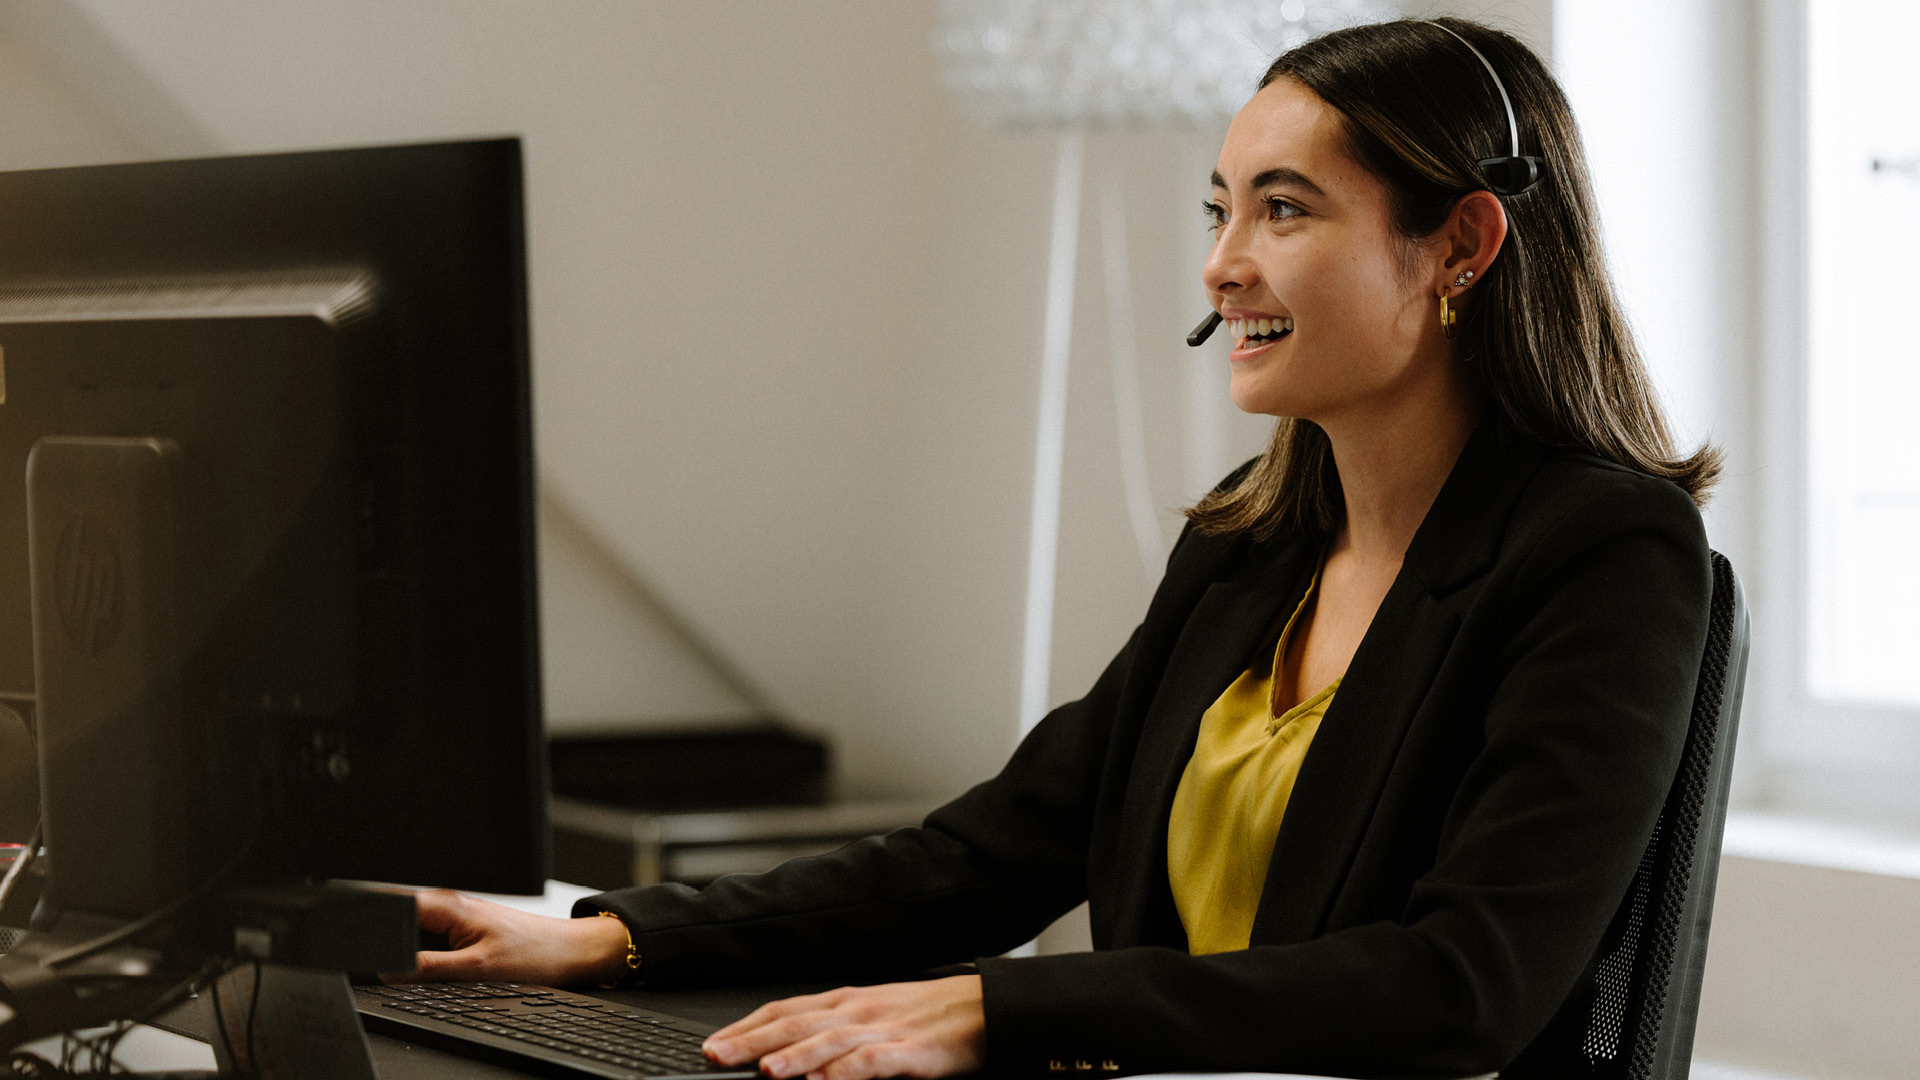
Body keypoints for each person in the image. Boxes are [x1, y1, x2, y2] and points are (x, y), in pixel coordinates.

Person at [396, 17, 1718, 1080]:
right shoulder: (1248, 546)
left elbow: (1462, 983)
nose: (1221, 264)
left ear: (1462, 247)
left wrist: (1003, 1010)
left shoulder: (1603, 555)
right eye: (1219, 211)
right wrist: (613, 933)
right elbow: (993, 855)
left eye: (1285, 210)